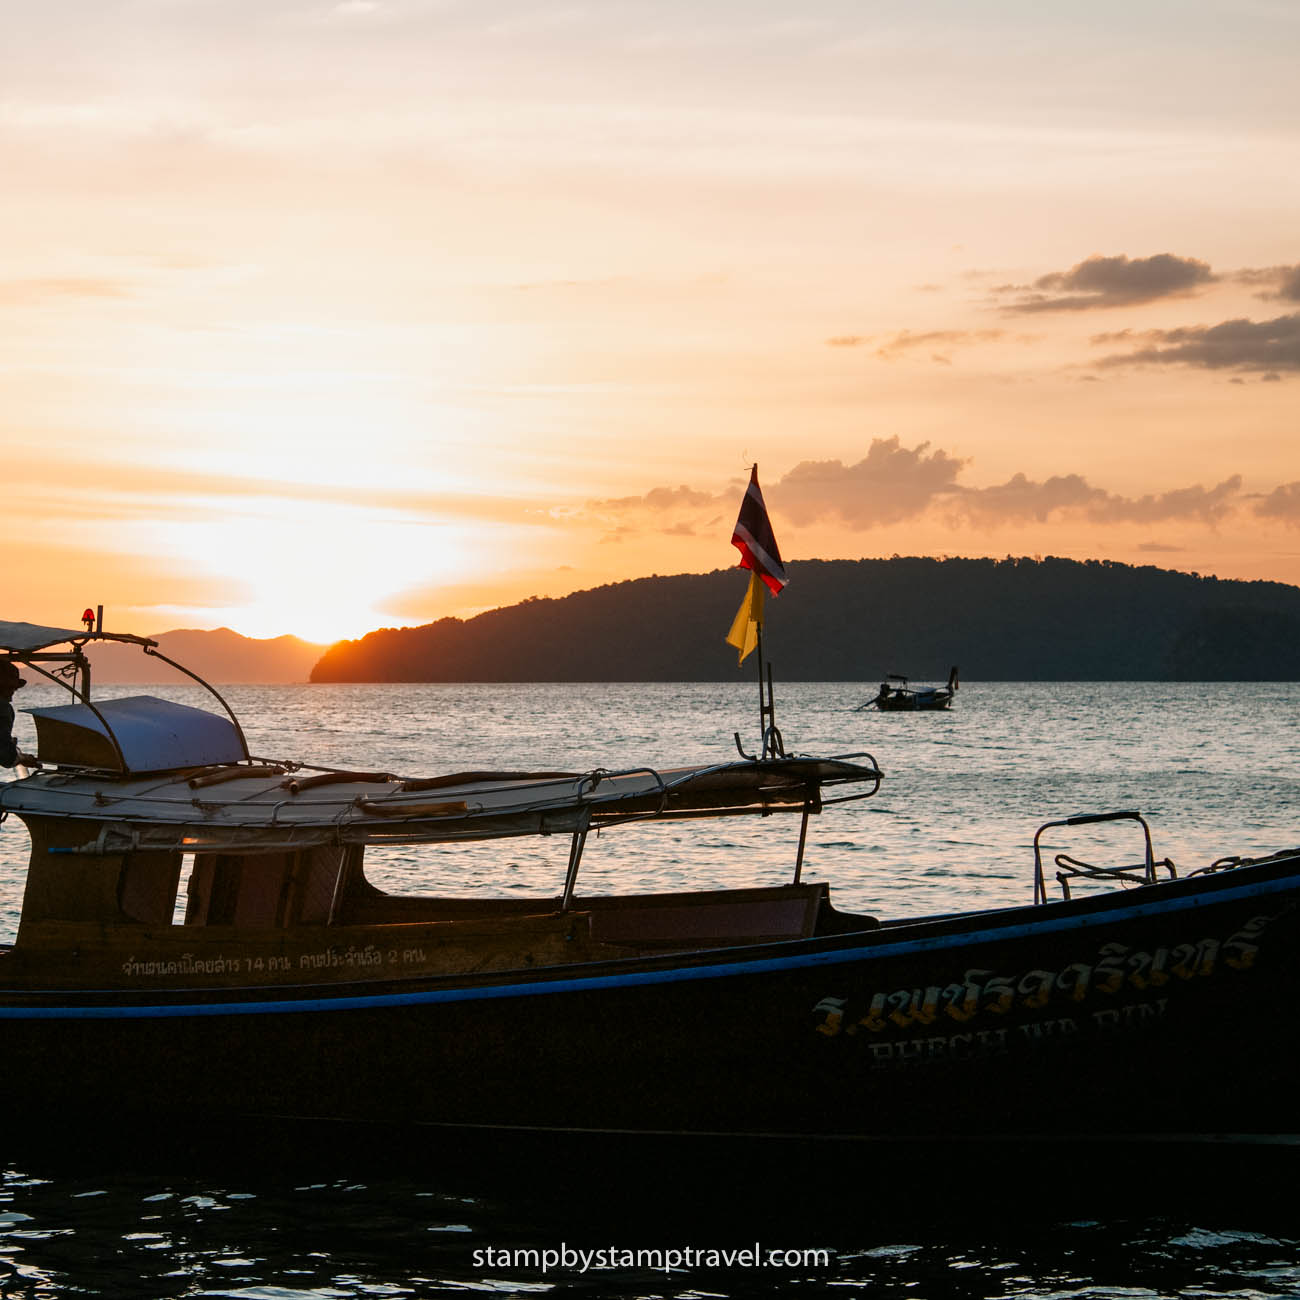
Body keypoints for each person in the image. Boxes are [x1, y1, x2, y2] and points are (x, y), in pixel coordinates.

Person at [1, 661, 37, 769]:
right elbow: (6, 758)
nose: (12, 696)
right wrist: (22, 758)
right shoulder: (3, 708)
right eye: (11, 689)